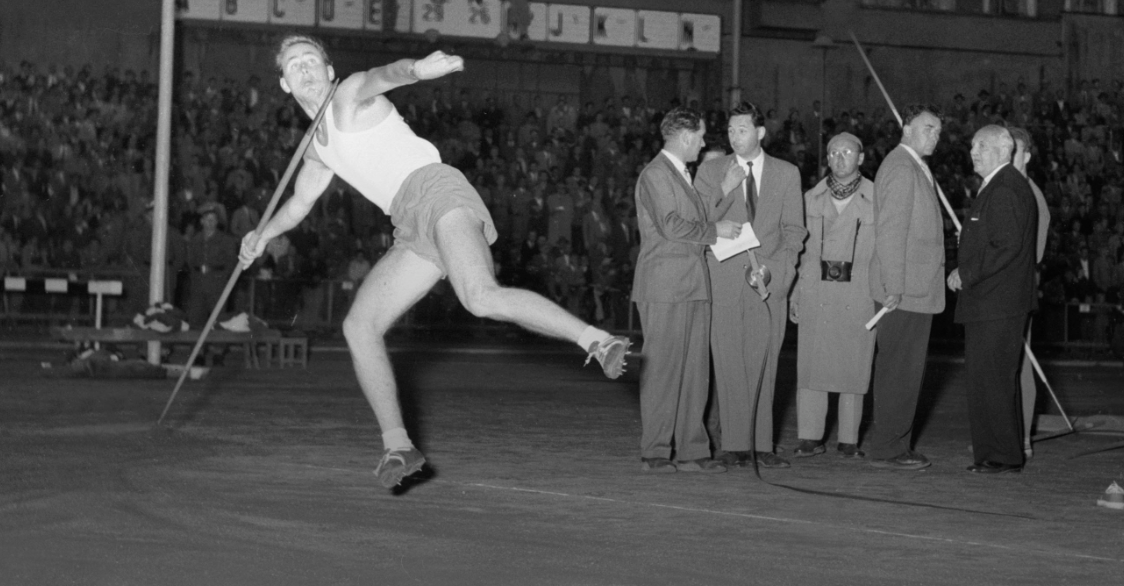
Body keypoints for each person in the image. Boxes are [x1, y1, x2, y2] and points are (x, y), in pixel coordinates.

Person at [239, 36, 631, 488]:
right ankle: (398, 446)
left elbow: (381, 76)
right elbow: (299, 204)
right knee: (359, 327)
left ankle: (597, 340)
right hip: (407, 222)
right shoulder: (315, 147)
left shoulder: (346, 95)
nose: (305, 69)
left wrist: (417, 71)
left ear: (329, 70)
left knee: (480, 297)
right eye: (294, 65)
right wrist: (260, 235)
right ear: (284, 84)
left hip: (437, 190)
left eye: (312, 61)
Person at [694, 101, 805, 469]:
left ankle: (762, 444)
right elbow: (696, 223)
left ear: (760, 133)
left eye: (742, 130)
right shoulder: (711, 171)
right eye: (729, 130)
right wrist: (725, 189)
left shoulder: (787, 173)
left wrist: (782, 273)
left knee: (765, 362)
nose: (734, 136)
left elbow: (794, 231)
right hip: (724, 279)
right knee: (728, 362)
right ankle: (734, 443)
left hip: (768, 282)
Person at [632, 107, 740, 474]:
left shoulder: (680, 175)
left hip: (692, 284)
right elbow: (671, 225)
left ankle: (693, 450)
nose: (705, 142)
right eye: (702, 136)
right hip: (664, 285)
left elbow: (692, 218)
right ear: (685, 137)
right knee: (663, 370)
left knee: (696, 371)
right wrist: (716, 232)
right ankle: (656, 451)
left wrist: (720, 201)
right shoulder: (655, 174)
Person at [947, 125, 1039, 474]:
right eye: (972, 146)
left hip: (996, 303)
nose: (973, 151)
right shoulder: (1002, 186)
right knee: (990, 380)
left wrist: (965, 273)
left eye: (981, 146)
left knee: (993, 380)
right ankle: (997, 453)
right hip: (994, 302)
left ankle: (1001, 455)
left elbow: (1005, 245)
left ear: (1004, 149)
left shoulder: (1004, 189)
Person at [867, 105, 946, 471]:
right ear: (907, 128)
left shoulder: (913, 166)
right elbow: (891, 231)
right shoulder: (901, 167)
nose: (935, 136)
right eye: (928, 128)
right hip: (904, 290)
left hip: (914, 287)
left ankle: (895, 443)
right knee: (899, 370)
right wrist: (893, 286)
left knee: (904, 370)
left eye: (938, 131)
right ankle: (888, 447)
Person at [790, 132, 875, 459]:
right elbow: (801, 252)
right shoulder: (810, 198)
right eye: (833, 152)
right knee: (811, 363)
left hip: (859, 290)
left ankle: (849, 439)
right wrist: (796, 291)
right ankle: (809, 436)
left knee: (855, 364)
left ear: (861, 158)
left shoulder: (877, 198)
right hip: (816, 289)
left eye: (847, 152)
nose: (840, 158)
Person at [1007, 127, 1049, 459]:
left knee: (1020, 364)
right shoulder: (1006, 189)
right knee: (1006, 363)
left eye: (1014, 151)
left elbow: (1029, 255)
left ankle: (1020, 438)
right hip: (1002, 290)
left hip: (1017, 291)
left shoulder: (1031, 196)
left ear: (1027, 156)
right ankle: (1006, 432)